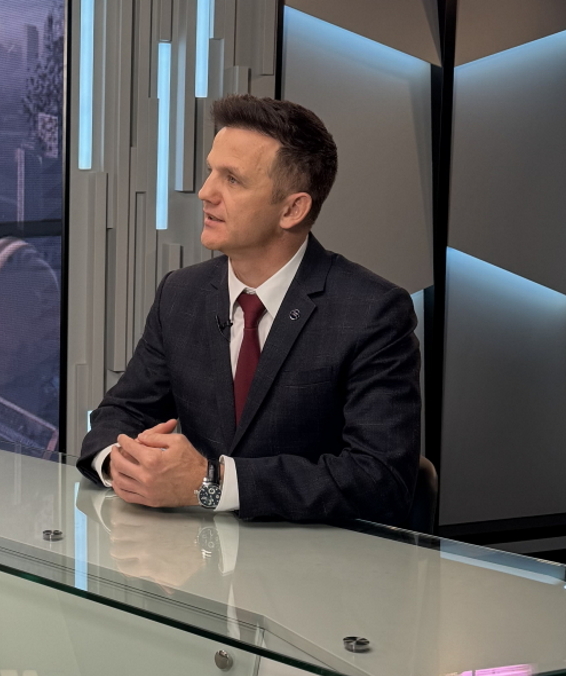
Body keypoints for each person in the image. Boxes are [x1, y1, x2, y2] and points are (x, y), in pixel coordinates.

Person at [77, 94, 421, 528]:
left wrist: (213, 481)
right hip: (195, 554)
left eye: (233, 180)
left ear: (292, 209)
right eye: (210, 171)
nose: (205, 192)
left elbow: (380, 479)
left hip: (315, 561)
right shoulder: (181, 294)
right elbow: (119, 414)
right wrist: (122, 464)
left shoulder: (373, 312)